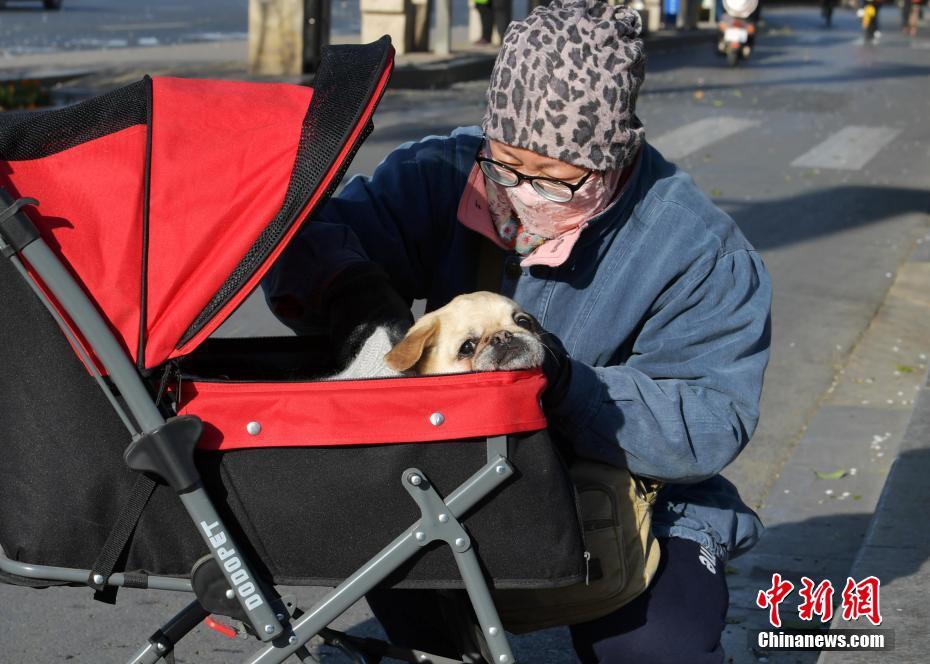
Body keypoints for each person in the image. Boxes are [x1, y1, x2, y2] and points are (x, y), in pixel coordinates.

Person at [263, 1, 771, 661]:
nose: (526, 193)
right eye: (509, 166)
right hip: (460, 480)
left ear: (618, 153)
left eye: (556, 182)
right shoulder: (448, 175)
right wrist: (359, 302)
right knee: (411, 585)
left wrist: (565, 386)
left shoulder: (697, 247)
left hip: (640, 496)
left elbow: (710, 418)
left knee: (658, 647)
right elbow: (306, 239)